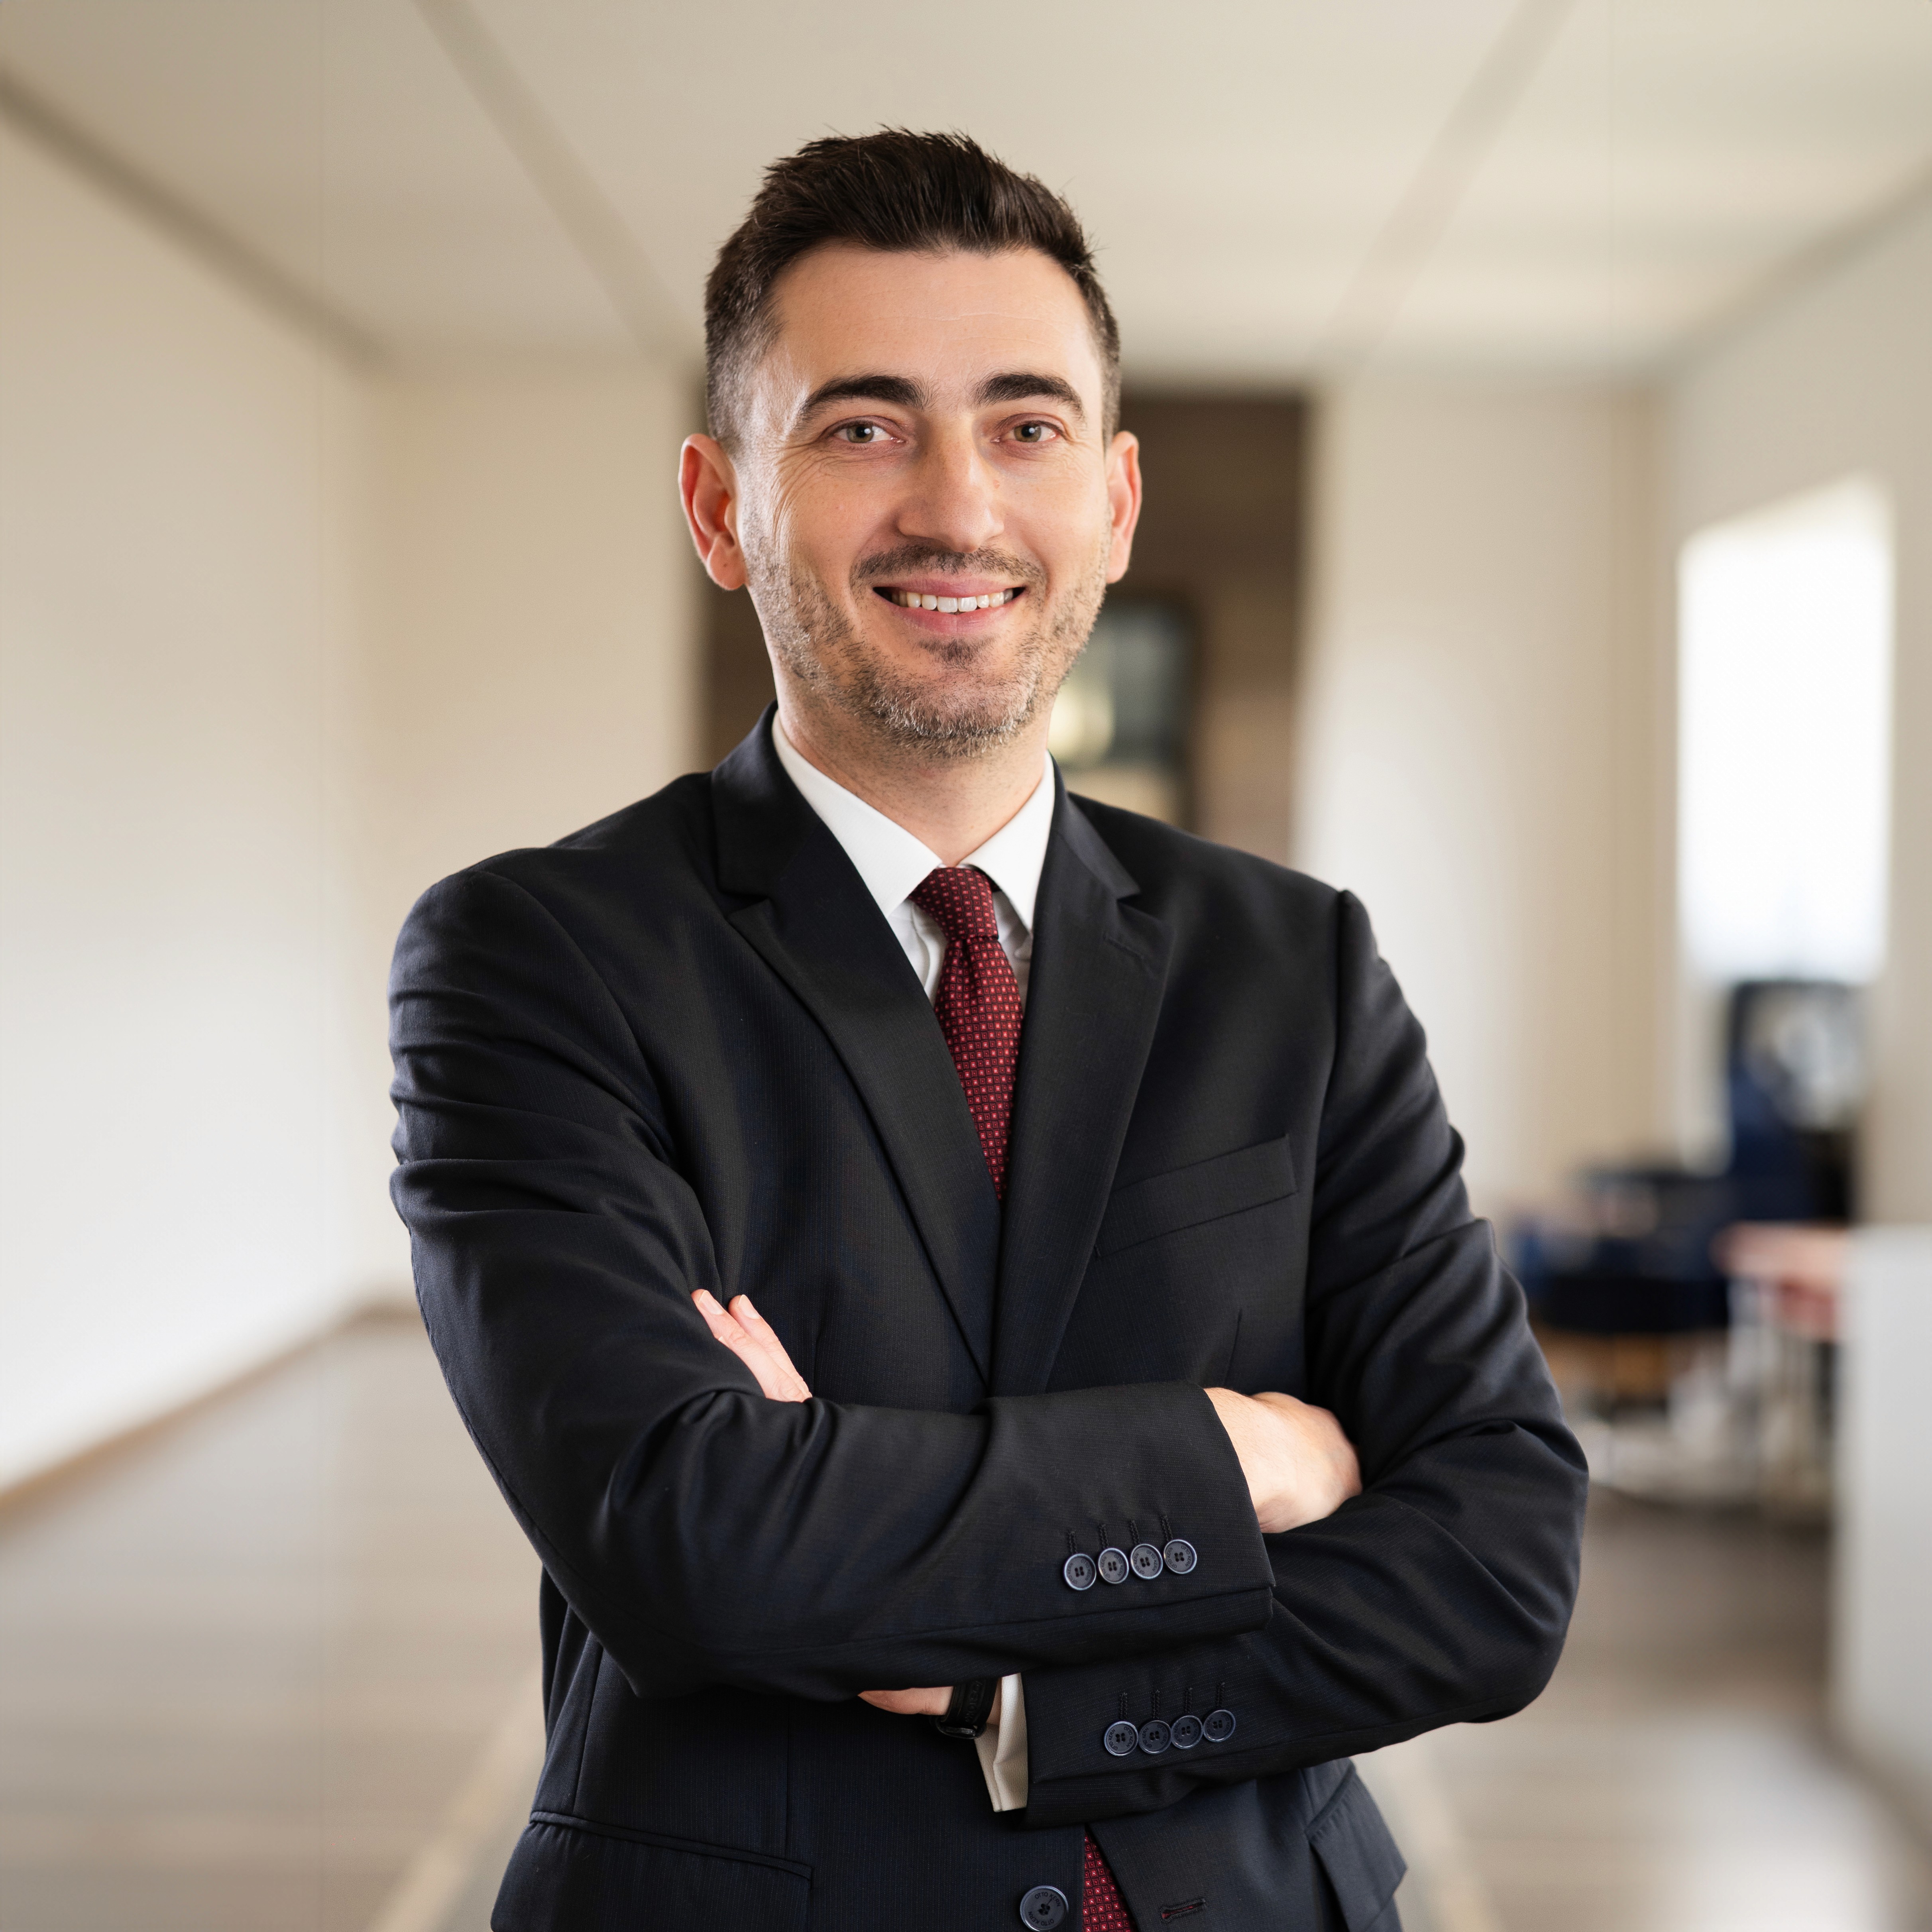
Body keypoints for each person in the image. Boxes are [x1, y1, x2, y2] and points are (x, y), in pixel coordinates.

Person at [388, 129, 1587, 1932]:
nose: (957, 507)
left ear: (1111, 501)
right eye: (863, 426)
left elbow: (1497, 1561)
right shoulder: (538, 958)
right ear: (722, 510)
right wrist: (1237, 1458)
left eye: (1024, 427)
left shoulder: (1298, 968)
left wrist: (1017, 1694)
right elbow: (693, 1543)